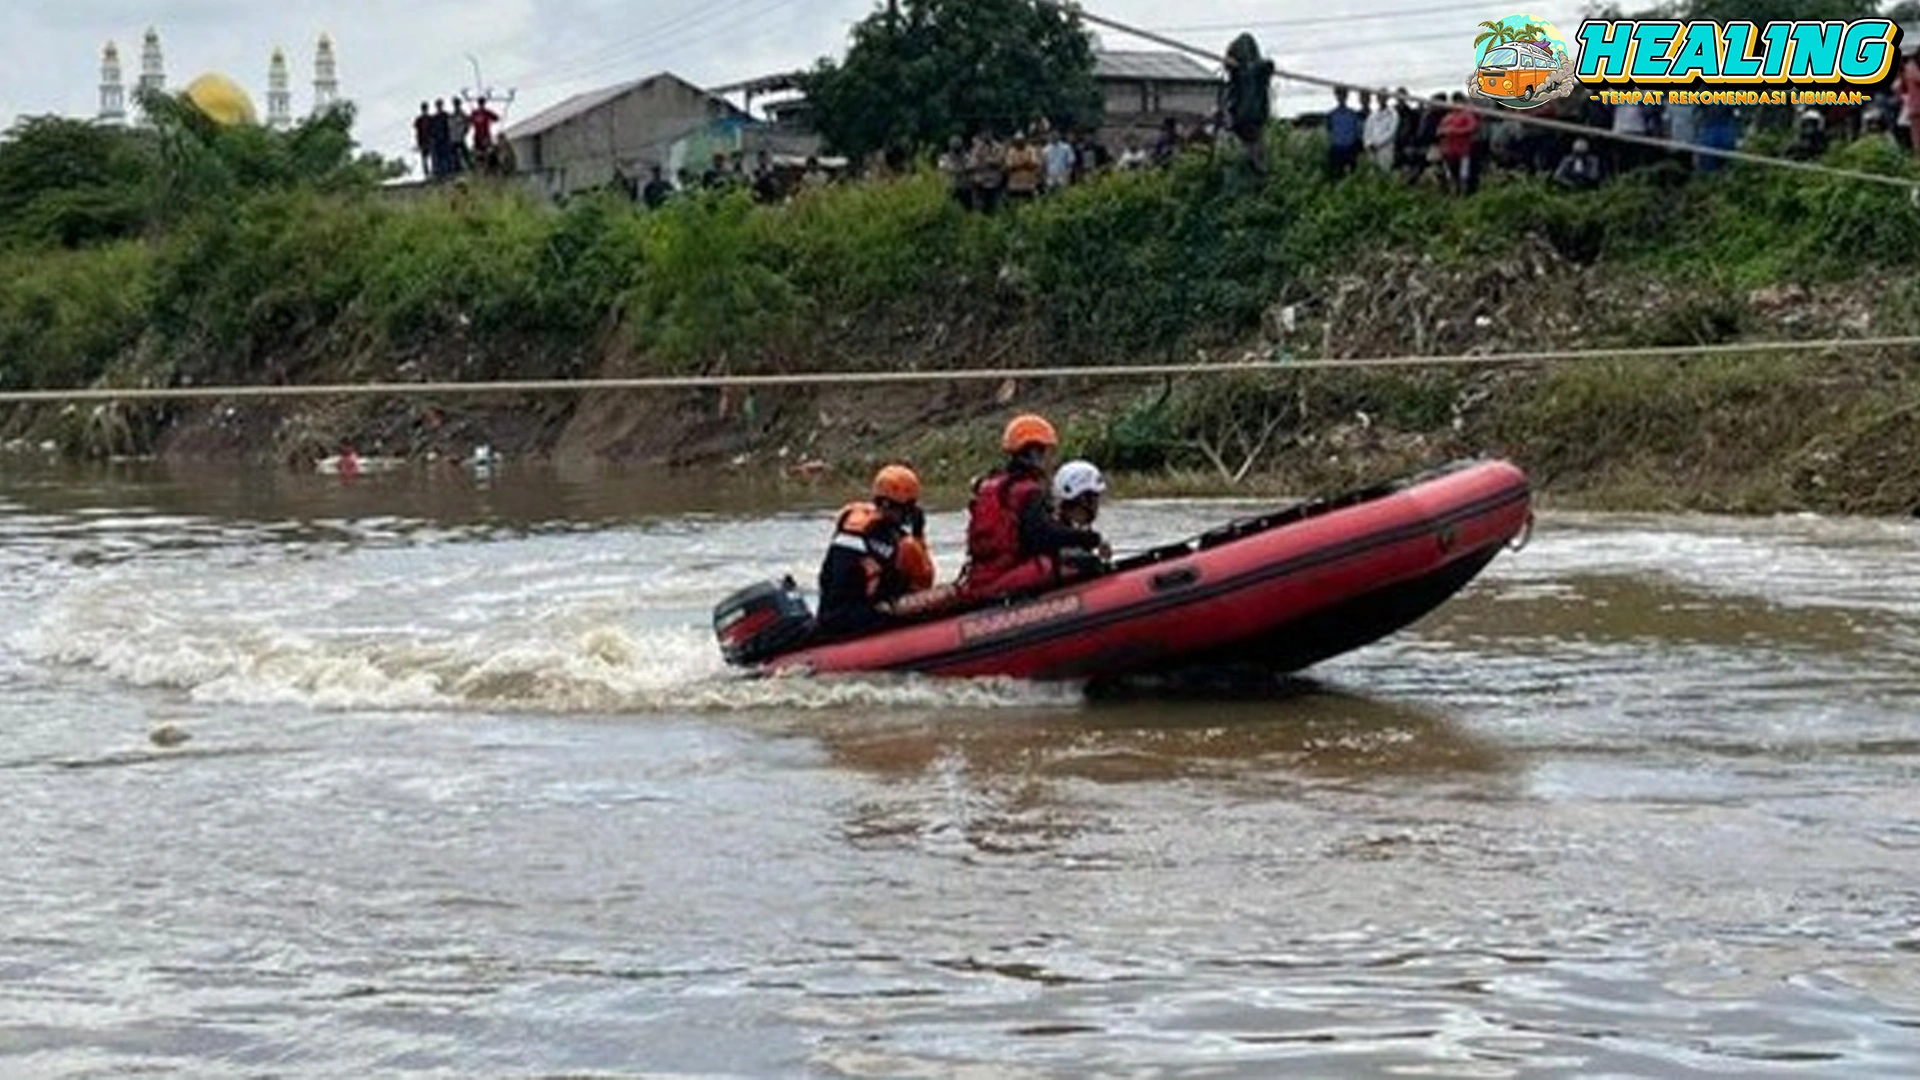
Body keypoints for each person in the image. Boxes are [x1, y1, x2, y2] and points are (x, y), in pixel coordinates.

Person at [959, 415, 1106, 600]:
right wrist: (1091, 539)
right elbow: (1043, 536)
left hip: (983, 576)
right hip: (1004, 577)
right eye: (1047, 452)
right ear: (1033, 453)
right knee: (1079, 564)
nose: (1050, 459)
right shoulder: (1027, 491)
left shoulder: (996, 486)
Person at [815, 465, 935, 639]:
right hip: (861, 618)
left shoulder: (849, 516)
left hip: (827, 613)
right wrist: (919, 534)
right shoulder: (905, 545)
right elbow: (924, 583)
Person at [1051, 460, 1114, 579]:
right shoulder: (1066, 546)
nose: (1098, 505)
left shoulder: (1057, 528)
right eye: (1096, 498)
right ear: (1084, 500)